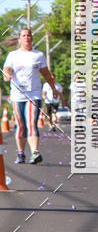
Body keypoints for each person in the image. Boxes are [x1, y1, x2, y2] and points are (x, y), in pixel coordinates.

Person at [2, 27, 59, 164]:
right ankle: (21, 153)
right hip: (17, 95)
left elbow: (46, 73)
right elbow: (6, 69)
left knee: (32, 123)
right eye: (24, 35)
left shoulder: (38, 55)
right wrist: (7, 74)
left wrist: (53, 89)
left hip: (33, 94)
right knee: (21, 125)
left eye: (29, 35)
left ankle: (35, 152)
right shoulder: (13, 55)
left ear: (31, 38)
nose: (27, 38)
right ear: (19, 39)